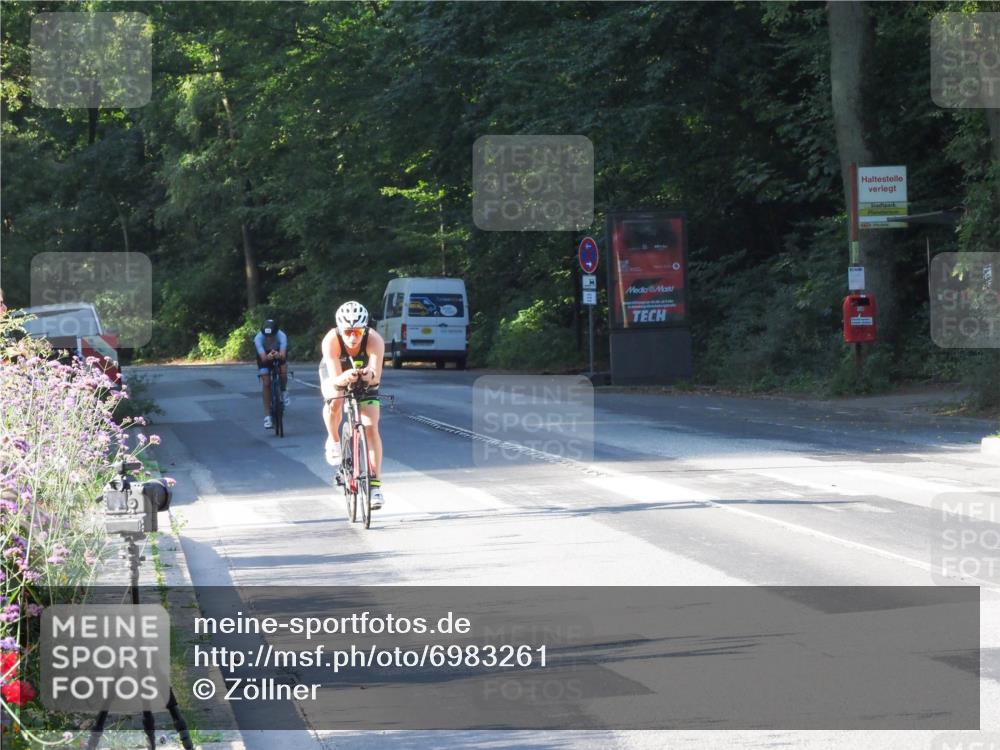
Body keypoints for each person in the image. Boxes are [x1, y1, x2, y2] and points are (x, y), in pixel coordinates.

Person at [320, 301, 386, 510]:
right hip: (337, 372)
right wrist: (345, 377)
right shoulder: (331, 340)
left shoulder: (374, 339)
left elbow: (376, 377)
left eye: (357, 331)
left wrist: (369, 374)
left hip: (363, 375)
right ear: (340, 329)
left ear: (364, 328)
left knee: (370, 426)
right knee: (334, 399)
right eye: (348, 331)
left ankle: (374, 486)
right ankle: (334, 440)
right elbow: (335, 378)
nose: (352, 337)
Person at [254, 318, 289, 429]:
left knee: (283, 371)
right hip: (264, 355)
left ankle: (283, 390)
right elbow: (263, 358)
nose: (269, 338)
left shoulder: (282, 336)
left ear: (276, 332)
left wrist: (279, 355)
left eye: (271, 335)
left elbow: (283, 355)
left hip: (278, 352)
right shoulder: (258, 338)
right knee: (266, 382)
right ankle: (267, 416)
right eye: (267, 336)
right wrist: (267, 357)